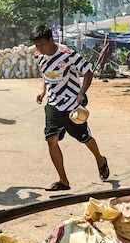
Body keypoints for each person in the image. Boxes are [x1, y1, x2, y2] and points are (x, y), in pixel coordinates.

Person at [31, 24, 110, 191]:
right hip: (53, 104)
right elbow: (45, 75)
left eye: (42, 44)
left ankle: (100, 160)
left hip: (72, 105)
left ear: (51, 40)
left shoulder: (68, 55)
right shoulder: (39, 56)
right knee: (51, 139)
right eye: (37, 45)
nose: (39, 48)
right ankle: (63, 180)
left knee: (84, 138)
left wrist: (82, 93)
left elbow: (88, 71)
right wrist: (42, 91)